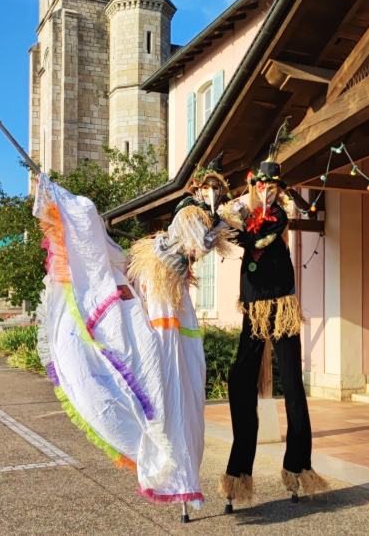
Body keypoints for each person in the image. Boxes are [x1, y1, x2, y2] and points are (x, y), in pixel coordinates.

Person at [129, 153, 237, 509]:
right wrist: (226, 221)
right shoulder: (191, 212)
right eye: (208, 189)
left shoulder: (203, 214)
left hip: (175, 287)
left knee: (187, 365)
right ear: (198, 189)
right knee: (169, 358)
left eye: (217, 191)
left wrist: (224, 221)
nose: (212, 195)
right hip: (163, 284)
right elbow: (199, 245)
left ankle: (183, 467)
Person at [218, 155, 327, 508]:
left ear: (279, 189)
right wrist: (220, 216)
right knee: (241, 379)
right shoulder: (242, 212)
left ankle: (298, 468)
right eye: (261, 185)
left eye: (273, 186)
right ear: (253, 186)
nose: (267, 191)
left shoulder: (278, 217)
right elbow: (228, 227)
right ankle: (238, 474)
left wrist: (231, 226)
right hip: (254, 306)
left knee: (292, 383)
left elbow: (256, 240)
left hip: (281, 305)